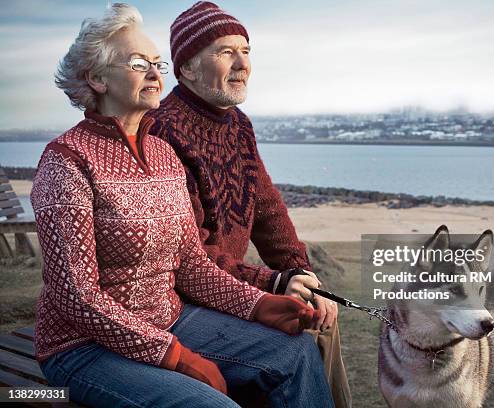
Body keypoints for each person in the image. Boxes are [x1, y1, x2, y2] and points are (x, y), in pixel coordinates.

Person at [32, 4, 334, 407]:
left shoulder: (160, 153)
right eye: (140, 63)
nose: (157, 73)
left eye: (158, 63)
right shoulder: (67, 160)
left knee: (294, 353)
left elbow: (191, 265)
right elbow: (77, 297)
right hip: (83, 348)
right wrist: (173, 355)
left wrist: (262, 304)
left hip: (172, 319)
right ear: (96, 78)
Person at [149, 3, 351, 406]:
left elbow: (268, 209)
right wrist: (273, 283)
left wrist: (299, 271)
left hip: (228, 284)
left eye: (247, 50)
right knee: (298, 338)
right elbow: (192, 255)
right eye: (225, 52)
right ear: (186, 67)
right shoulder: (162, 130)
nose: (243, 64)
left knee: (321, 314)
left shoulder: (238, 123)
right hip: (186, 297)